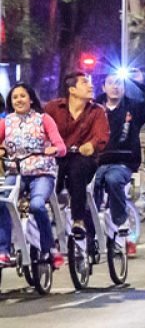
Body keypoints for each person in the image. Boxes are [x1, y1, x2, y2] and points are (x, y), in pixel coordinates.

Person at [0, 83, 67, 267]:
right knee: (3, 202)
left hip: (42, 172)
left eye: (23, 96)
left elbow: (61, 146)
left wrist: (54, 149)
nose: (19, 100)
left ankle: (49, 247)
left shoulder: (44, 119)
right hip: (16, 171)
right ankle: (3, 250)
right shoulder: (6, 122)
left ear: (31, 99)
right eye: (15, 97)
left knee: (37, 205)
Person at [95, 70, 145, 234]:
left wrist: (137, 82)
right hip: (97, 162)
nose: (115, 87)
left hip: (123, 163)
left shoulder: (133, 108)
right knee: (90, 185)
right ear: (104, 87)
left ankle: (120, 220)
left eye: (119, 83)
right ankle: (91, 223)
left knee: (113, 180)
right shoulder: (94, 109)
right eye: (111, 83)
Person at [45, 72, 110, 237]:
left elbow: (101, 136)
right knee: (48, 178)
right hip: (57, 158)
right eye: (85, 83)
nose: (91, 86)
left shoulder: (97, 111)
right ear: (72, 89)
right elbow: (41, 129)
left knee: (77, 169)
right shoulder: (53, 108)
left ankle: (78, 220)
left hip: (83, 160)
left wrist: (91, 145)